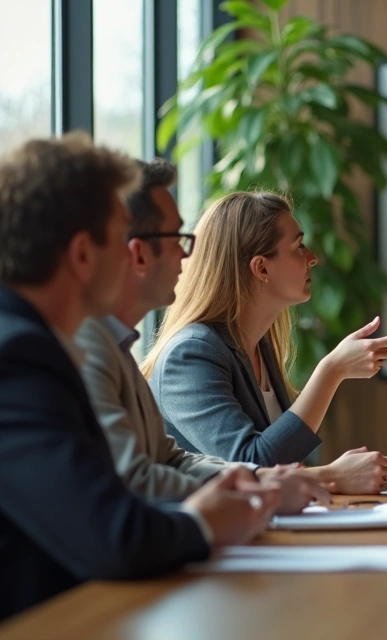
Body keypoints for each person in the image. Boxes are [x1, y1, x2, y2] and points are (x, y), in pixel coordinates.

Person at [0, 134, 279, 622]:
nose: (131, 256)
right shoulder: (17, 360)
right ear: (85, 255)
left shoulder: (45, 346)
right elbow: (113, 533)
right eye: (118, 239)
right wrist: (204, 523)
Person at [76, 159, 327, 510]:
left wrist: (274, 482)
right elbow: (138, 481)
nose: (187, 253)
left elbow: (172, 460)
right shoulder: (184, 352)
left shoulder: (116, 347)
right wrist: (331, 373)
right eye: (177, 238)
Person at [144, 191, 387, 493]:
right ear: (261, 268)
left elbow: (278, 465)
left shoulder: (259, 346)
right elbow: (251, 464)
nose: (312, 258)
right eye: (298, 246)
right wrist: (332, 371)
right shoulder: (190, 354)